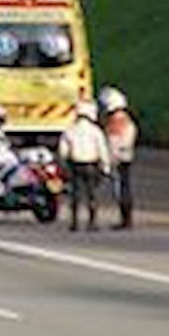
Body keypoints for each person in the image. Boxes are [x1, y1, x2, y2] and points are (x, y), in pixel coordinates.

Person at [56, 99, 113, 231]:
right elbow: (102, 150)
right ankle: (92, 222)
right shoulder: (95, 131)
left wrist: (63, 165)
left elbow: (63, 151)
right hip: (91, 165)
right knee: (92, 194)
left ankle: (74, 222)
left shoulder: (70, 130)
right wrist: (106, 167)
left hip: (75, 165)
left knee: (75, 194)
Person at [100, 86, 139, 229]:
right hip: (123, 157)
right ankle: (125, 218)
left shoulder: (118, 122)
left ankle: (126, 219)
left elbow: (115, 142)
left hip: (120, 158)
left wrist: (110, 158)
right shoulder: (123, 120)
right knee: (121, 188)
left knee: (122, 188)